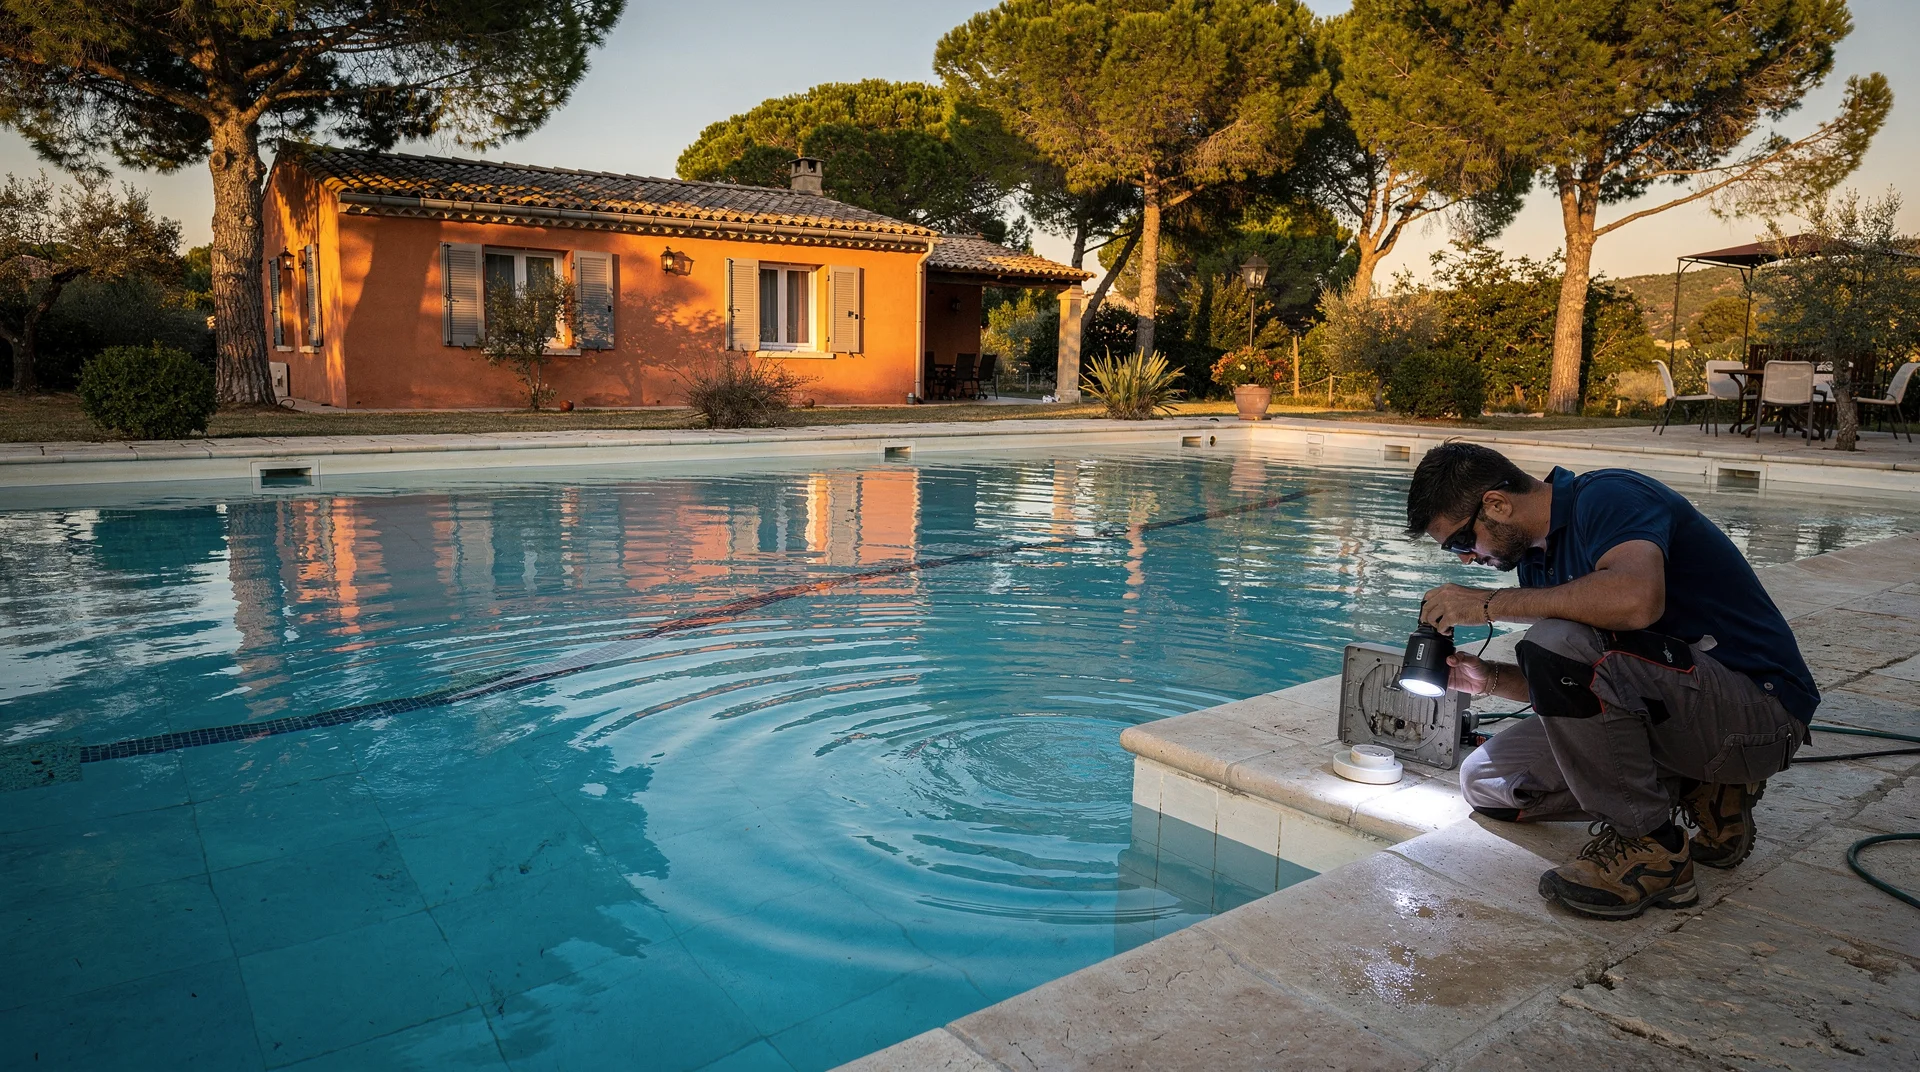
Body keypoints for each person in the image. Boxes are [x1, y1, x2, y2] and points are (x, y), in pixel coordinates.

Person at [1405, 443, 1818, 920]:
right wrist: (1488, 680)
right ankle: (1699, 786)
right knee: (1488, 782)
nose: (1466, 560)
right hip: (1679, 715)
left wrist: (1489, 605)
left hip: (1759, 716)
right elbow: (1585, 685)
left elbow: (1637, 600)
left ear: (1496, 504)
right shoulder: (1539, 561)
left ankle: (1651, 847)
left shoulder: (1610, 498)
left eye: (1461, 542)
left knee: (1554, 636)